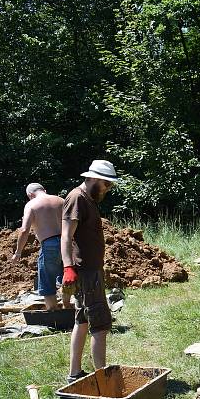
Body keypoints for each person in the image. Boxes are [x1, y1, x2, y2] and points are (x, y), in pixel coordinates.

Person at [61, 160, 118, 383]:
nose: (108, 189)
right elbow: (66, 235)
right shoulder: (77, 198)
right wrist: (68, 267)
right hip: (86, 272)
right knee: (100, 324)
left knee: (82, 321)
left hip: (90, 270)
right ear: (94, 178)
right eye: (106, 184)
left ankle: (74, 373)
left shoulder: (89, 199)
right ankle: (102, 379)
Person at [11, 183, 68, 310]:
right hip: (67, 242)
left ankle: (53, 313)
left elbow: (24, 230)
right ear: (44, 190)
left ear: (30, 195)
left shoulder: (31, 204)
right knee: (67, 275)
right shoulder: (61, 200)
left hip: (49, 244)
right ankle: (68, 306)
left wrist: (18, 252)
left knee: (47, 279)